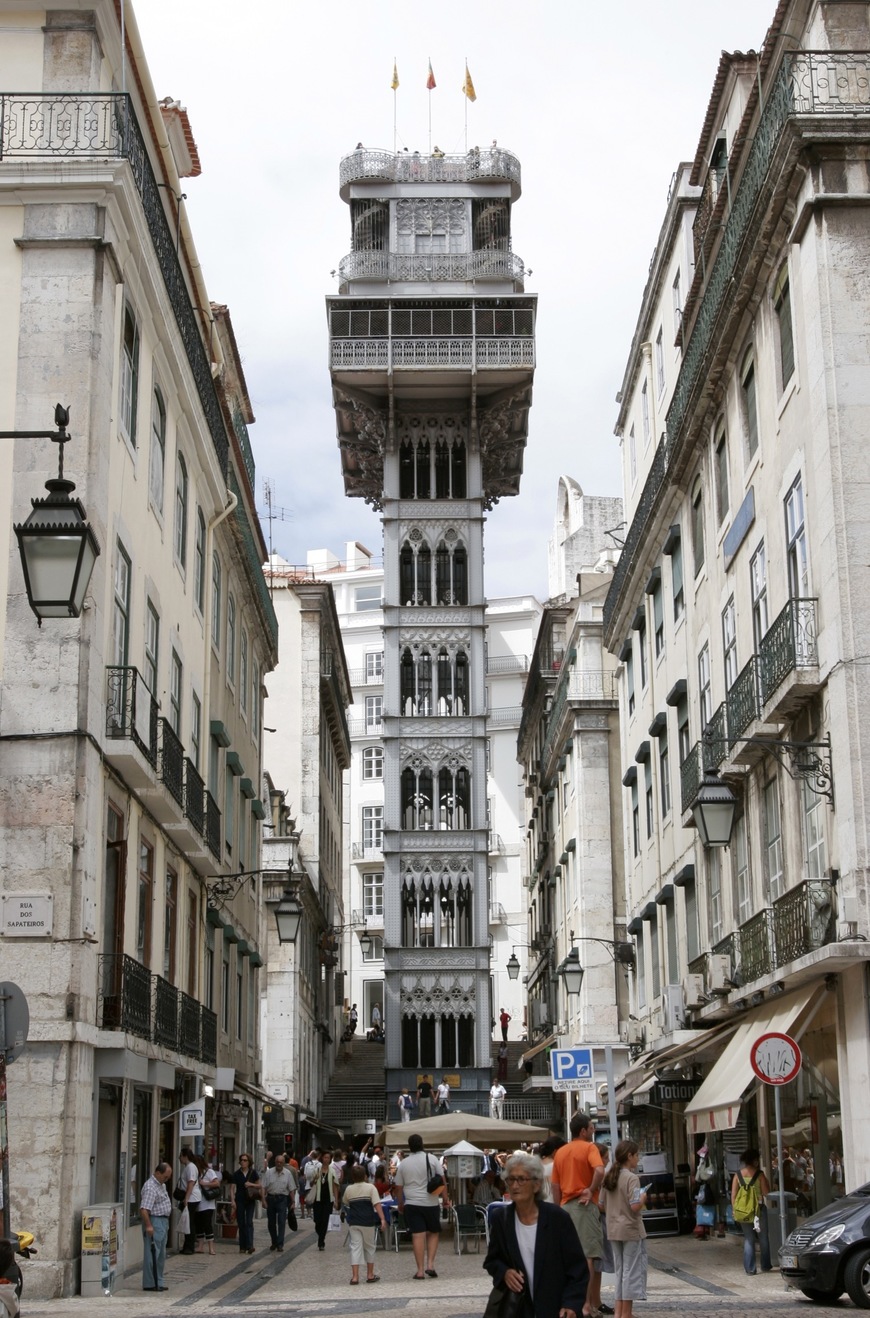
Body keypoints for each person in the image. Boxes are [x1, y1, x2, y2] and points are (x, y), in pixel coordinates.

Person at [483, 1152, 588, 1318]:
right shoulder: (501, 1219)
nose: (515, 1185)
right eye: (511, 1179)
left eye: (521, 1179)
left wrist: (571, 1304)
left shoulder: (557, 1218)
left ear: (537, 1185)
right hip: (519, 1309)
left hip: (555, 1308)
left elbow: (578, 1268)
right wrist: (505, 1272)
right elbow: (492, 1261)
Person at [551, 1113, 606, 1318]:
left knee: (567, 1258)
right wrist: (591, 1189)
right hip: (583, 1205)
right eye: (591, 1128)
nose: (593, 1131)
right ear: (583, 1131)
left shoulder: (561, 1151)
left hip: (564, 1206)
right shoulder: (590, 1148)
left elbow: (555, 1185)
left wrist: (556, 1210)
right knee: (588, 1257)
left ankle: (569, 1302)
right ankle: (585, 1304)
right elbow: (599, 1170)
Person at [600, 1140, 647, 1318]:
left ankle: (619, 1311)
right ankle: (626, 1313)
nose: (638, 1158)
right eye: (636, 1155)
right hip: (630, 1229)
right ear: (629, 1156)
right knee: (631, 1271)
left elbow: (601, 1204)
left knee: (620, 1271)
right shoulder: (632, 1178)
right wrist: (643, 1196)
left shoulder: (608, 1176)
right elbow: (635, 1206)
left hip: (613, 1228)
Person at [393, 1132, 450, 1279]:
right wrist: (445, 1199)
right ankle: (430, 1265)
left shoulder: (404, 1163)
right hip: (430, 1202)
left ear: (409, 1147)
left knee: (417, 1235)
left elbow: (398, 1187)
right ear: (422, 1144)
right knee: (433, 1232)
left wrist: (400, 1203)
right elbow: (442, 1181)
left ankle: (420, 1270)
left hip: (412, 1203)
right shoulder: (431, 1158)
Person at [343, 1163, 387, 1285]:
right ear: (365, 1176)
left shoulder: (349, 1189)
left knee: (355, 1247)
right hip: (368, 1221)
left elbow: (346, 1202)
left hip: (354, 1222)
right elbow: (377, 1204)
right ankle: (370, 1274)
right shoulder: (371, 1188)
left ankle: (355, 1277)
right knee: (369, 1247)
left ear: (352, 1177)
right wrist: (382, 1219)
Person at [731, 1147, 771, 1275]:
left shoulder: (737, 1175)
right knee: (763, 1237)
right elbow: (766, 1193)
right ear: (754, 1160)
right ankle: (765, 1265)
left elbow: (734, 1195)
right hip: (758, 1210)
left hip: (743, 1211)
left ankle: (750, 1268)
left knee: (749, 1239)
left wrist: (734, 1210)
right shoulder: (760, 1175)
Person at [140, 1161, 173, 1291]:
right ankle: (150, 1283)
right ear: (158, 1173)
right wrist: (149, 1226)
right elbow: (144, 1209)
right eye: (165, 1176)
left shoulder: (161, 1185)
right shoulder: (150, 1187)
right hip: (155, 1221)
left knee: (160, 1255)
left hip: (163, 1222)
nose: (167, 1179)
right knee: (153, 1253)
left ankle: (158, 1281)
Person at [263, 1153, 297, 1253]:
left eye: (281, 1162)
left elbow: (291, 1189)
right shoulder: (269, 1173)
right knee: (271, 1223)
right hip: (271, 1198)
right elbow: (263, 1187)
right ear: (275, 1162)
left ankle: (280, 1244)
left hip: (282, 1199)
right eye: (277, 1162)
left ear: (283, 1163)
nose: (279, 1164)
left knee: (282, 1222)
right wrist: (263, 1200)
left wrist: (293, 1202)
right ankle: (274, 1241)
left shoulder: (288, 1173)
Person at [308, 1150, 341, 1251]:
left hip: (328, 1199)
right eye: (325, 1157)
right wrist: (314, 1179)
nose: (326, 1159)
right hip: (318, 1198)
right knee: (317, 1220)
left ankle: (321, 1242)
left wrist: (335, 1200)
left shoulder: (332, 1171)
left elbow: (335, 1186)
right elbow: (310, 1184)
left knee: (325, 1220)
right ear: (322, 1158)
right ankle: (320, 1235)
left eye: (328, 1158)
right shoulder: (317, 1169)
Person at [229, 1153, 261, 1254]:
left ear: (249, 1162)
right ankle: (242, 1246)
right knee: (241, 1223)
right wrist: (233, 1201)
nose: (243, 1162)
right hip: (240, 1200)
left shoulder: (253, 1173)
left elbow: (259, 1185)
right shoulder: (236, 1174)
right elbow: (232, 1188)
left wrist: (250, 1184)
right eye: (241, 1160)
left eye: (245, 1160)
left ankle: (250, 1245)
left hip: (250, 1200)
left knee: (249, 1222)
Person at [178, 1147, 201, 1255]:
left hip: (192, 1198)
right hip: (190, 1197)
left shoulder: (191, 1167)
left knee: (189, 1222)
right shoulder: (188, 1167)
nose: (179, 1158)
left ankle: (189, 1246)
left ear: (185, 1156)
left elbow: (190, 1183)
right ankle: (187, 1245)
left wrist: (186, 1198)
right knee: (188, 1221)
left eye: (180, 1156)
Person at [196, 1161, 222, 1254]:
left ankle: (211, 1248)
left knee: (207, 1225)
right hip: (198, 1202)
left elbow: (217, 1183)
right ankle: (200, 1246)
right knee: (199, 1225)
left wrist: (204, 1183)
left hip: (208, 1204)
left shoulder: (209, 1172)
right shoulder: (196, 1173)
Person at [539, 1135, 566, 1203]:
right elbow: (556, 1188)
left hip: (539, 1203)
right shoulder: (555, 1165)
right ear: (555, 1151)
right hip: (553, 1202)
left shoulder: (537, 1164)